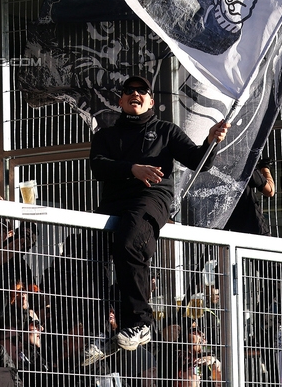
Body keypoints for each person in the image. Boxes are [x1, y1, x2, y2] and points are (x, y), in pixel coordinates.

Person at [86, 76, 228, 359]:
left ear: (151, 101)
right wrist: (132, 169)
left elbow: (198, 161)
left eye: (142, 91)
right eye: (128, 91)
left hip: (150, 200)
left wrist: (211, 141)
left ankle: (140, 323)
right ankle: (103, 329)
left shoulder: (165, 130)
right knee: (88, 253)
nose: (134, 94)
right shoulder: (105, 135)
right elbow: (99, 166)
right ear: (120, 100)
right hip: (114, 204)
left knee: (130, 239)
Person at [223, 157, 275, 235]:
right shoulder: (243, 165)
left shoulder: (205, 167)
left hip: (225, 230)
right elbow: (270, 191)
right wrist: (265, 168)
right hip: (253, 226)